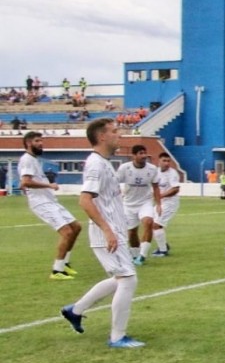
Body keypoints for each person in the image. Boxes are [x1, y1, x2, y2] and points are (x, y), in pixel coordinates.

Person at [60, 118, 144, 348]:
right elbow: (85, 200)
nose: (120, 135)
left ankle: (75, 310)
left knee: (121, 279)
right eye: (115, 131)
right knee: (128, 280)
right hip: (106, 235)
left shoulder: (105, 163)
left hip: (114, 233)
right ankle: (117, 337)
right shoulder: (96, 164)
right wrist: (107, 230)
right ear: (102, 137)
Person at [18, 131, 83, 280]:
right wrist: (49, 185)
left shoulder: (33, 159)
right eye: (37, 141)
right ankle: (57, 270)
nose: (41, 144)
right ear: (28, 143)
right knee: (66, 232)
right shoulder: (27, 159)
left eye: (41, 141)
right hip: (41, 203)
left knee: (76, 227)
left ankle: (65, 262)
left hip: (50, 201)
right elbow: (25, 182)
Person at [116, 145, 161, 266]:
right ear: (134, 155)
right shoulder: (125, 168)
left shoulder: (152, 169)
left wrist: (158, 204)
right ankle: (135, 255)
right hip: (128, 204)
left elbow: (156, 187)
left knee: (148, 222)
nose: (143, 156)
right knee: (132, 232)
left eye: (144, 153)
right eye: (140, 153)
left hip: (145, 202)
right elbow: (115, 184)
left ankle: (142, 256)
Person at [152, 152, 180, 257]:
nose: (167, 163)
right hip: (160, 202)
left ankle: (163, 251)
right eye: (164, 160)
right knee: (151, 223)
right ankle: (163, 245)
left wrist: (161, 195)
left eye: (168, 161)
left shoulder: (172, 173)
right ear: (158, 161)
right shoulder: (155, 172)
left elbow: (175, 189)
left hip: (170, 203)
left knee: (156, 224)